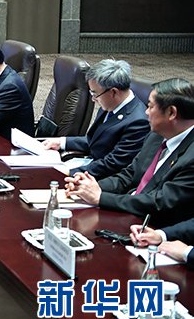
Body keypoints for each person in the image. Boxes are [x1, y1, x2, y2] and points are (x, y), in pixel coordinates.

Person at [64, 78, 194, 227]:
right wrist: (90, 186)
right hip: (128, 211)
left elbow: (160, 201)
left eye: (150, 107)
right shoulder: (157, 135)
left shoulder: (190, 156)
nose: (146, 112)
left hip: (154, 227)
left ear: (171, 113)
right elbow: (130, 175)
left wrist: (101, 198)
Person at [41, 59, 149, 179]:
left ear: (114, 92)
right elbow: (94, 140)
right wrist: (62, 142)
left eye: (95, 94)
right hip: (89, 165)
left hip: (101, 178)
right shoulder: (110, 104)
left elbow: (113, 164)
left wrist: (68, 172)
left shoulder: (138, 122)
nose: (93, 99)